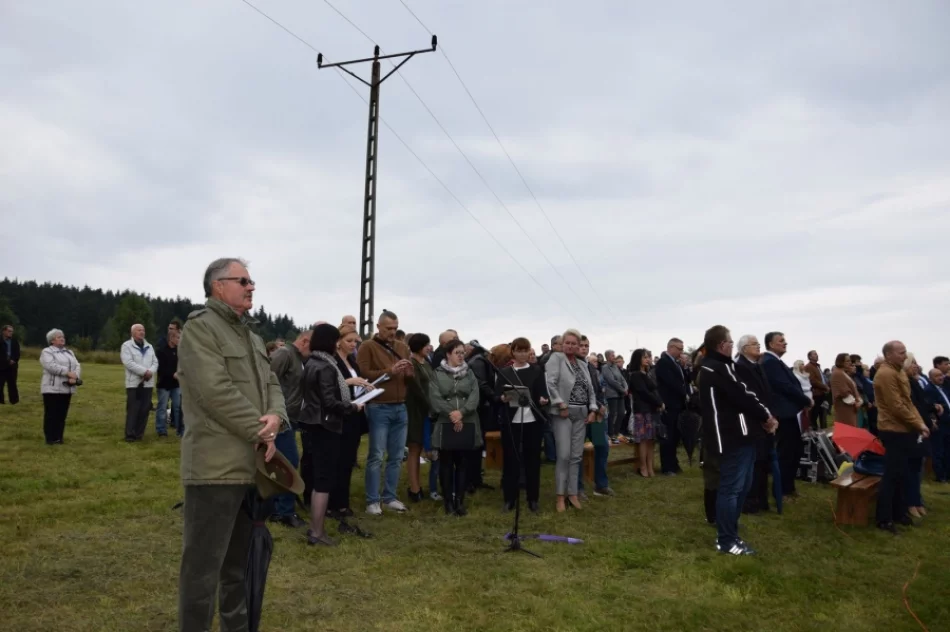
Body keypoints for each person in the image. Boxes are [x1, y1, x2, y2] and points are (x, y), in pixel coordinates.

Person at [177, 257, 287, 632]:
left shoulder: (251, 335)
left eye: (252, 280)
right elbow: (214, 392)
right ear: (217, 285)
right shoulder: (201, 329)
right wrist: (264, 432)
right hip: (214, 468)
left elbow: (272, 383)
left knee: (237, 567)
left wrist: (275, 416)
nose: (251, 286)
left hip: (251, 467)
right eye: (243, 280)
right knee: (202, 571)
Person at [697, 325, 776, 556]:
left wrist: (762, 416)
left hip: (740, 436)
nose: (733, 346)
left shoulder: (717, 367)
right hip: (731, 438)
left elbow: (742, 395)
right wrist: (766, 416)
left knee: (741, 486)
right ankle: (726, 540)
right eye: (730, 342)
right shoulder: (717, 368)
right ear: (722, 345)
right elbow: (742, 394)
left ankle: (730, 528)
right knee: (731, 489)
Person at [299, 324, 364, 546]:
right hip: (326, 426)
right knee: (324, 480)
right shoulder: (326, 366)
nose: (339, 344)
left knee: (320, 478)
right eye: (337, 340)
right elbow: (329, 402)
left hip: (314, 424)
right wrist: (352, 407)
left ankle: (316, 529)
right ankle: (317, 532)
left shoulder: (312, 362)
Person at [357, 310, 413, 516]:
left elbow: (408, 379)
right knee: (376, 455)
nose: (392, 332)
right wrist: (390, 371)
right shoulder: (367, 347)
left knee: (397, 456)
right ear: (379, 327)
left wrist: (408, 373)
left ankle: (389, 496)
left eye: (395, 328)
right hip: (379, 406)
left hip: (401, 405)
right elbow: (364, 375)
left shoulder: (402, 347)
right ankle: (372, 500)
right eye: (389, 328)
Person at [873, 341, 930, 533]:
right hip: (893, 430)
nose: (905, 356)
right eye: (901, 353)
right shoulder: (886, 373)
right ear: (888, 355)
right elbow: (896, 406)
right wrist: (918, 423)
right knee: (891, 474)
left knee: (902, 473)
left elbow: (908, 402)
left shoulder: (898, 371)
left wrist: (920, 423)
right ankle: (884, 518)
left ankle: (898, 512)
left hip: (905, 429)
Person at [544, 329, 598, 512]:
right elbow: (550, 383)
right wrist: (560, 404)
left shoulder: (583, 365)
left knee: (576, 456)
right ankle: (560, 496)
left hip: (582, 413)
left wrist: (593, 408)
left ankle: (573, 493)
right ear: (562, 343)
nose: (571, 346)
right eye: (568, 342)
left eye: (575, 343)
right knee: (564, 455)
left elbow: (591, 389)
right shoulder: (556, 359)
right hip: (563, 414)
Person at [429, 339, 482, 516]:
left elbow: (475, 395)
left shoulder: (470, 373)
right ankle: (448, 502)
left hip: (467, 421)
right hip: (446, 422)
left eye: (463, 352)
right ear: (448, 354)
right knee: (446, 464)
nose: (461, 356)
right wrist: (452, 413)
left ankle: (459, 500)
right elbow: (435, 397)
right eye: (457, 352)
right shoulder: (437, 374)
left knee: (462, 463)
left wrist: (463, 412)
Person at [496, 337, 549, 513]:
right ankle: (509, 499)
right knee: (511, 461)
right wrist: (502, 398)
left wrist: (543, 400)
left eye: (525, 350)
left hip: (532, 422)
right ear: (513, 352)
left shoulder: (536, 370)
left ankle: (533, 498)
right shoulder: (505, 372)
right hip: (512, 422)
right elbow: (497, 395)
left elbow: (543, 393)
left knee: (532, 461)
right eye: (519, 350)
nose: (522, 354)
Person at [268, 329, 312, 529]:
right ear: (304, 341)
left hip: (290, 418)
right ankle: (284, 512)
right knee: (290, 461)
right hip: (279, 418)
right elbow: (266, 382)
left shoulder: (297, 357)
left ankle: (276, 506)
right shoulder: (284, 354)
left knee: (279, 463)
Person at [760, 332, 811, 500]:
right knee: (786, 453)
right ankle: (781, 490)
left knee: (794, 452)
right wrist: (806, 400)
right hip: (784, 413)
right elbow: (784, 387)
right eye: (781, 341)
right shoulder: (769, 362)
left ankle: (788, 487)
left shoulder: (776, 361)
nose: (785, 343)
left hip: (790, 412)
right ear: (771, 344)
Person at [331, 324, 374, 519]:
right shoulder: (332, 361)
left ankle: (343, 502)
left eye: (355, 341)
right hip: (339, 416)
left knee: (348, 460)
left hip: (355, 414)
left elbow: (356, 384)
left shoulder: (353, 363)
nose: (353, 345)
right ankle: (333, 503)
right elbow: (328, 385)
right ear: (338, 342)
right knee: (337, 461)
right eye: (349, 341)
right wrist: (349, 382)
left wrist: (366, 387)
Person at [734, 335, 773, 514]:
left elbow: (765, 393)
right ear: (743, 349)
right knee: (753, 463)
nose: (758, 347)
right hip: (751, 422)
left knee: (763, 461)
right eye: (754, 344)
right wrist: (764, 417)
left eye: (758, 344)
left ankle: (761, 499)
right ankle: (749, 502)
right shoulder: (741, 367)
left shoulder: (757, 366)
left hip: (763, 419)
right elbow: (750, 397)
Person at [465, 341, 499, 494]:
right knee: (473, 446)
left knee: (477, 446)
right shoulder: (479, 361)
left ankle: (475, 479)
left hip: (479, 408)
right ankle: (470, 481)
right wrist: (495, 398)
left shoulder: (478, 360)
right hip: (477, 409)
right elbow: (481, 384)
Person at [406, 333, 435, 502]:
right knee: (414, 448)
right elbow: (417, 389)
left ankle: (419, 486)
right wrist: (430, 407)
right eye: (426, 344)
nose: (429, 347)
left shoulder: (427, 363)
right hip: (416, 411)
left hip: (428, 410)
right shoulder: (413, 364)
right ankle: (414, 489)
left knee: (422, 449)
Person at [39, 329, 80, 445]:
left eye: (62, 336)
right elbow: (50, 366)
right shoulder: (47, 352)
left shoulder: (69, 352)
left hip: (67, 388)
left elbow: (77, 365)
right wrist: (67, 373)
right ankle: (50, 438)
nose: (62, 338)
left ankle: (59, 437)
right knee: (52, 414)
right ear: (52, 341)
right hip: (51, 388)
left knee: (62, 414)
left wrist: (75, 376)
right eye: (58, 337)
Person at [120, 324, 159, 441]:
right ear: (132, 333)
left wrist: (150, 372)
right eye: (139, 330)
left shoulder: (149, 346)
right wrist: (144, 372)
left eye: (143, 330)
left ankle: (139, 434)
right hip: (134, 383)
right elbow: (128, 362)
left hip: (148, 383)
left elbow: (155, 362)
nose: (142, 332)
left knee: (144, 409)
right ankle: (130, 435)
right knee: (133, 409)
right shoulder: (127, 346)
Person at [655, 338, 688, 475]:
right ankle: (667, 466)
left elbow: (685, 381)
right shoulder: (663, 362)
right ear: (671, 347)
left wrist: (684, 367)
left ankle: (674, 463)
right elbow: (671, 382)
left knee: (675, 436)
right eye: (679, 349)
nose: (681, 352)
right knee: (668, 437)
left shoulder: (677, 364)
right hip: (669, 404)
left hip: (678, 405)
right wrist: (684, 393)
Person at [628, 348, 661, 478]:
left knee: (650, 440)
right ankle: (643, 466)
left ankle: (650, 465)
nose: (648, 359)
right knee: (643, 440)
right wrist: (658, 403)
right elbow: (644, 393)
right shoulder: (635, 375)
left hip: (650, 410)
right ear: (638, 359)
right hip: (641, 411)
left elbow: (654, 391)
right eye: (644, 357)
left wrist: (658, 402)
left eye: (648, 357)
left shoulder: (646, 374)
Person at [156, 326, 183, 438]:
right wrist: (172, 374)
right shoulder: (161, 351)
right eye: (177, 338)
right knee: (162, 407)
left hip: (176, 384)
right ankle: (161, 430)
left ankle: (179, 429)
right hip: (164, 384)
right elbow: (161, 367)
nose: (179, 340)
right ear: (171, 338)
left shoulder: (179, 351)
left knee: (177, 407)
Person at [924, 368, 950, 483]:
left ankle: (947, 474)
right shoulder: (929, 390)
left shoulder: (943, 388)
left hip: (947, 423)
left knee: (947, 449)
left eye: (941, 375)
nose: (940, 377)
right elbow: (930, 408)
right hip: (939, 424)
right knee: (938, 450)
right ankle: (940, 476)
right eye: (937, 376)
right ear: (930, 378)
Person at [602, 349, 628, 443]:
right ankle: (611, 433)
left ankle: (617, 431)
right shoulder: (605, 368)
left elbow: (622, 379)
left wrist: (626, 387)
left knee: (621, 413)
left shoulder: (616, 367)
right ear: (608, 357)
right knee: (612, 414)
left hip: (620, 394)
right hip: (612, 394)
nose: (614, 357)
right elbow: (611, 381)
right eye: (613, 355)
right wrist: (622, 389)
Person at [830, 353, 861, 427]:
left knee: (851, 428)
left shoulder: (843, 373)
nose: (850, 363)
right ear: (841, 362)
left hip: (850, 407)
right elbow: (843, 391)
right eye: (847, 361)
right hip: (844, 407)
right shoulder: (837, 373)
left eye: (850, 361)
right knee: (847, 427)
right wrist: (855, 401)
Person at [804, 351, 829, 429]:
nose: (817, 355)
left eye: (817, 354)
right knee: (814, 416)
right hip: (816, 395)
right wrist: (825, 387)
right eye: (814, 354)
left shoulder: (817, 366)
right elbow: (812, 381)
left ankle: (824, 432)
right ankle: (815, 434)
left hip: (822, 394)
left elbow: (822, 379)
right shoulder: (808, 366)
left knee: (823, 415)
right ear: (810, 357)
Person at [0, 324, 21, 405]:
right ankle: (1, 401)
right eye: (9, 331)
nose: (11, 333)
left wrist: (14, 360)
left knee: (12, 384)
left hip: (12, 366)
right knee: (0, 384)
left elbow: (17, 353)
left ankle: (14, 401)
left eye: (12, 331)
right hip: (1, 366)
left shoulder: (14, 341)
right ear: (4, 331)